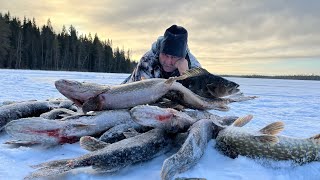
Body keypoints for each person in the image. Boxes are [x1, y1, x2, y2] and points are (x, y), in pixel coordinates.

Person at [122, 24, 201, 84]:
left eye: (174, 57)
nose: (167, 61)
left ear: (182, 57)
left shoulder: (194, 67)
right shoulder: (148, 60)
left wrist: (186, 75)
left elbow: (200, 98)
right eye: (165, 55)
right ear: (159, 51)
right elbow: (141, 94)